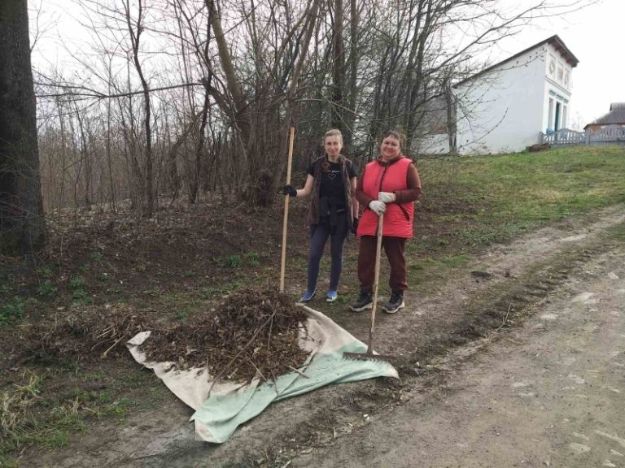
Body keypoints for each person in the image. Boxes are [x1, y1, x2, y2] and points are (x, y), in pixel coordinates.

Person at [281, 129, 358, 303]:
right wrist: (293, 192)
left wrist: (355, 218)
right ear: (324, 145)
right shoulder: (316, 165)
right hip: (320, 217)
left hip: (341, 217)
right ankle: (310, 289)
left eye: (335, 143)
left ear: (341, 144)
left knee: (336, 254)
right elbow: (307, 190)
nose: (332, 147)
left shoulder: (348, 166)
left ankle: (332, 289)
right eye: (329, 144)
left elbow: (354, 194)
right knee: (314, 253)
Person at [350, 130, 422, 314]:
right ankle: (366, 294)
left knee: (396, 260)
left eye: (393, 144)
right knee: (365, 260)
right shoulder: (370, 166)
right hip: (371, 220)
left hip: (396, 221)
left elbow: (416, 191)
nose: (389, 146)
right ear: (380, 144)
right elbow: (358, 192)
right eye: (386, 143)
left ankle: (397, 295)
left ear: (399, 148)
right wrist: (370, 202)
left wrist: (394, 196)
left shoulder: (408, 166)